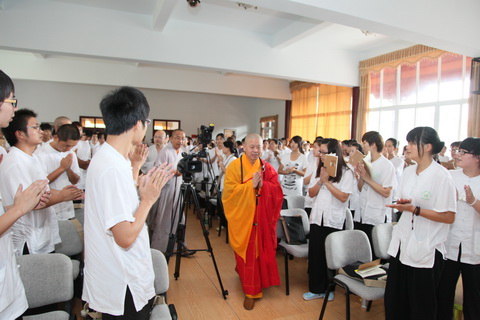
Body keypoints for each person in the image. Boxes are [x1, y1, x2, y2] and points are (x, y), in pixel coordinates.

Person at [82, 86, 174, 319]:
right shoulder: (111, 167)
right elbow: (124, 237)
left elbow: (120, 201)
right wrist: (148, 199)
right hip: (121, 280)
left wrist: (136, 174)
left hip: (120, 274)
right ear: (137, 124)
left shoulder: (112, 158)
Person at [385, 126, 456, 320]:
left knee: (420, 306)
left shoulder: (441, 176)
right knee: (396, 300)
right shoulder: (408, 172)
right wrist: (404, 205)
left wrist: (415, 210)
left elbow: (449, 216)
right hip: (402, 245)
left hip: (426, 248)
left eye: (412, 143)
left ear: (427, 147)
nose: (407, 147)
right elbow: (407, 201)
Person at [0, 69, 49, 320]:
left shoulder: (30, 157)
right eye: (11, 101)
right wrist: (21, 208)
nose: (12, 108)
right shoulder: (13, 161)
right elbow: (26, 203)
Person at [0, 109, 84, 255]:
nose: (41, 131)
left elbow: (44, 189)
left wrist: (64, 192)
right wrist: (63, 196)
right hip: (27, 238)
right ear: (19, 134)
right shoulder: (15, 162)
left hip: (40, 231)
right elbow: (30, 201)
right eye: (35, 127)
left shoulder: (32, 158)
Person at [222, 133, 284, 310]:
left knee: (259, 254)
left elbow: (277, 191)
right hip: (244, 219)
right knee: (248, 256)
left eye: (259, 147)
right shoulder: (235, 167)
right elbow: (228, 195)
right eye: (252, 147)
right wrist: (249, 186)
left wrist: (264, 185)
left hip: (261, 219)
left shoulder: (267, 168)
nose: (256, 150)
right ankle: (251, 292)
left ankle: (257, 284)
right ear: (243, 146)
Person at [303, 138, 353, 301]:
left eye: (324, 152)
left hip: (334, 220)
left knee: (330, 256)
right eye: (320, 152)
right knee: (316, 254)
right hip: (318, 217)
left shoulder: (346, 172)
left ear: (333, 153)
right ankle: (316, 289)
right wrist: (320, 181)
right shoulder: (320, 168)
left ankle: (329, 289)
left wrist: (327, 182)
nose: (321, 155)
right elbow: (311, 193)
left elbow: (343, 197)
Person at [436, 137, 480, 320]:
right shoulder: (451, 176)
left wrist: (473, 202)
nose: (458, 155)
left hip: (474, 247)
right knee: (443, 292)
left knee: (474, 297)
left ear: (477, 157)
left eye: (463, 152)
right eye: (458, 151)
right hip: (449, 243)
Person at [354, 131, 397, 249]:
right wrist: (361, 176)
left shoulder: (386, 165)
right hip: (362, 213)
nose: (363, 146)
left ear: (373, 145)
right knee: (361, 250)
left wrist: (367, 179)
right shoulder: (366, 162)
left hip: (376, 215)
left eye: (365, 143)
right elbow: (360, 188)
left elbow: (386, 192)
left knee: (374, 250)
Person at [150, 129, 188, 253]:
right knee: (164, 221)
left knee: (179, 219)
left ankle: (176, 246)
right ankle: (159, 250)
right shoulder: (165, 152)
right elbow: (158, 171)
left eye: (182, 138)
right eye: (177, 138)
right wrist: (173, 173)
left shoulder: (182, 152)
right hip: (166, 190)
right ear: (171, 138)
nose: (180, 141)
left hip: (177, 191)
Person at [36, 123, 81, 220]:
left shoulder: (70, 153)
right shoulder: (41, 153)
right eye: (66, 145)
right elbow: (41, 183)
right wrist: (62, 168)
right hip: (50, 206)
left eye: (72, 146)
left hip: (67, 207)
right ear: (56, 137)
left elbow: (75, 180)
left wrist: (68, 169)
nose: (68, 149)